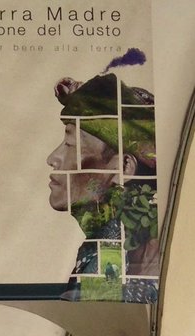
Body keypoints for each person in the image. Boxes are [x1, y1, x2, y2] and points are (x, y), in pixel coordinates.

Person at [47, 70, 158, 301]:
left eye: (70, 144)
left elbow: (101, 319)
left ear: (124, 166)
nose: (53, 158)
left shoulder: (117, 248)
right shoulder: (112, 239)